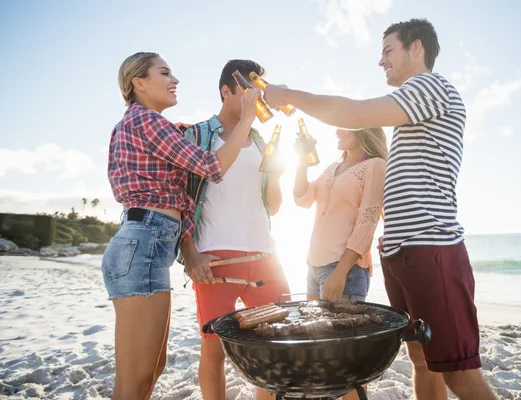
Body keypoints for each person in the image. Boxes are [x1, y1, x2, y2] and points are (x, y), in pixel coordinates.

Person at [263, 19, 497, 400]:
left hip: (431, 247)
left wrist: (291, 96)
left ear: (415, 48)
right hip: (402, 252)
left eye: (388, 50)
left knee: (458, 372)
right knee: (422, 360)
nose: (381, 61)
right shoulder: (413, 107)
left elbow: (354, 114)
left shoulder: (430, 86)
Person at [102, 52, 260, 400]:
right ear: (138, 83)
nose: (175, 80)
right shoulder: (146, 120)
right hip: (142, 245)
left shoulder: (146, 123)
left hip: (148, 246)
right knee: (135, 380)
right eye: (164, 73)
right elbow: (211, 167)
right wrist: (247, 118)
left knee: (150, 371)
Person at [177, 59, 291, 400]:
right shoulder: (196, 135)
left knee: (273, 348)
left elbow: (272, 205)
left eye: (260, 86)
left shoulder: (259, 141)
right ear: (226, 92)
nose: (258, 94)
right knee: (214, 350)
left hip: (265, 255)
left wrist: (277, 176)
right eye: (248, 87)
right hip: (215, 259)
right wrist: (190, 254)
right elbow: (180, 201)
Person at [294, 128, 387, 304]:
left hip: (344, 269)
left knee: (340, 331)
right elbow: (303, 199)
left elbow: (366, 224)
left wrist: (341, 271)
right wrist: (302, 160)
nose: (337, 131)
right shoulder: (332, 167)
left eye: (345, 126)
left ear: (364, 130)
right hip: (314, 264)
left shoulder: (375, 165)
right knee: (315, 331)